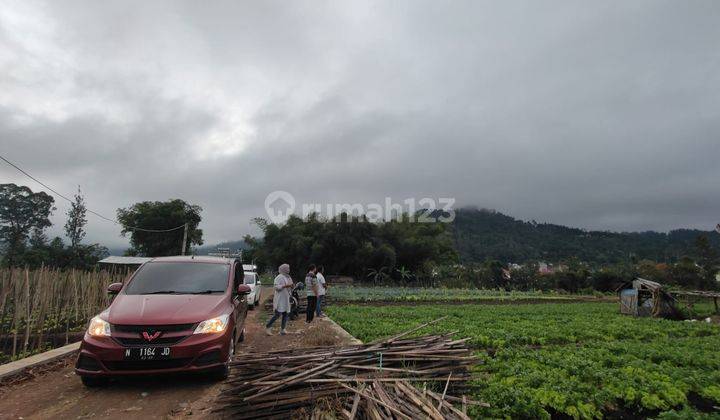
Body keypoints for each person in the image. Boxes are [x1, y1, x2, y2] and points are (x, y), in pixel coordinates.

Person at [266, 263, 293, 335]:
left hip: (286, 298)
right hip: (280, 298)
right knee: (278, 314)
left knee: (285, 313)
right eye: (287, 268)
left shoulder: (288, 277)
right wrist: (285, 286)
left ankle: (282, 329)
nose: (288, 270)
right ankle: (268, 326)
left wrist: (291, 287)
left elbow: (290, 286)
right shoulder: (279, 277)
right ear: (284, 269)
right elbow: (276, 287)